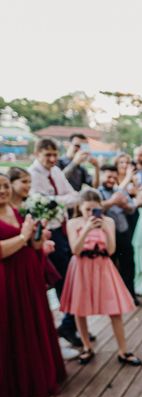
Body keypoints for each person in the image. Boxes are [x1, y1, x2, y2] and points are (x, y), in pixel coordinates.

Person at [0, 173, 67, 397]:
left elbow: (34, 244)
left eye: (5, 186)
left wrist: (37, 232)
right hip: (7, 279)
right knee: (13, 325)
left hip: (29, 276)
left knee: (31, 322)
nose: (3, 191)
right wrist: (23, 237)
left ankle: (39, 371)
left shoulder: (17, 212)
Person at [60, 189, 142, 366]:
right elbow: (75, 249)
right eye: (87, 209)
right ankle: (87, 347)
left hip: (103, 265)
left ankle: (123, 350)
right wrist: (86, 229)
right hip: (81, 266)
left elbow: (111, 250)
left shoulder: (108, 221)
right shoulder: (73, 223)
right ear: (80, 207)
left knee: (115, 309)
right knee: (79, 309)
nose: (91, 213)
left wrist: (105, 229)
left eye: (95, 209)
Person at [28, 138, 84, 347]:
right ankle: (66, 324)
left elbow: (74, 196)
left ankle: (70, 323)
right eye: (47, 155)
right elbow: (37, 202)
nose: (52, 159)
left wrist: (56, 200)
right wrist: (59, 200)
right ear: (37, 154)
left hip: (62, 228)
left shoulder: (57, 172)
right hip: (46, 233)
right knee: (58, 279)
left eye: (54, 155)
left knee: (67, 278)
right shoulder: (32, 175)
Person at [99, 165, 138, 304]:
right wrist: (112, 202)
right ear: (102, 175)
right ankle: (111, 298)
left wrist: (125, 206)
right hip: (107, 236)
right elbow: (95, 209)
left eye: (114, 177)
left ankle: (130, 296)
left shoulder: (120, 191)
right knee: (109, 268)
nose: (111, 180)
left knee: (128, 265)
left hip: (123, 233)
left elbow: (132, 208)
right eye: (109, 177)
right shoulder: (97, 192)